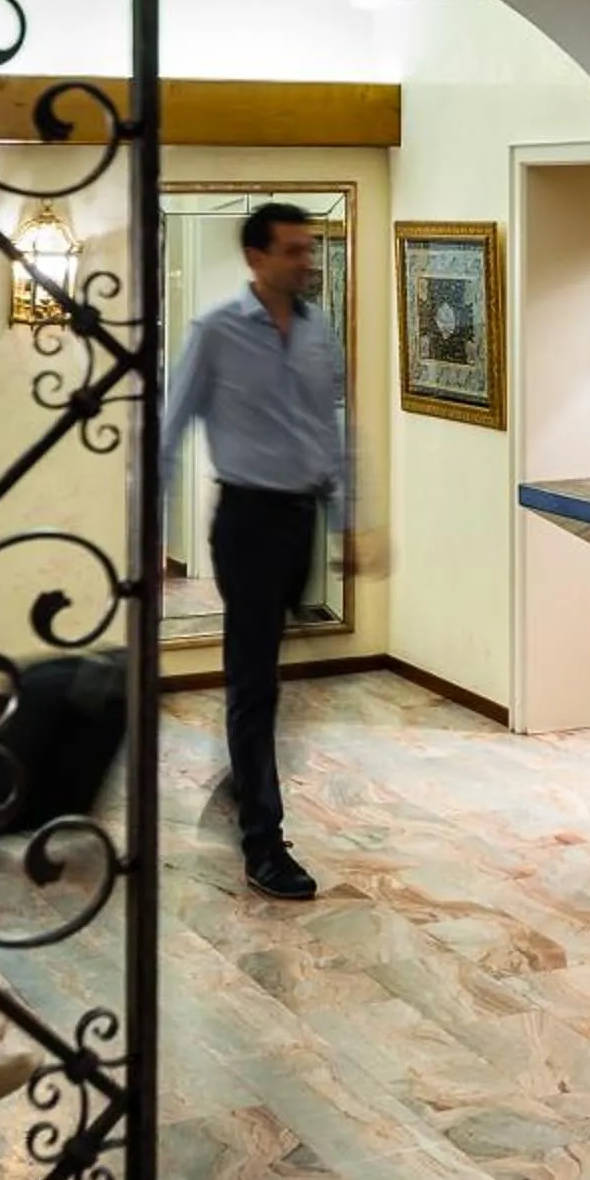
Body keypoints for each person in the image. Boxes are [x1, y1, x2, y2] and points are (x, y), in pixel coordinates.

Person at [163, 201, 351, 902]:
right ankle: (263, 844)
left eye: (309, 249)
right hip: (244, 520)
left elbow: (334, 427)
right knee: (253, 678)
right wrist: (148, 546)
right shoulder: (214, 333)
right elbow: (170, 428)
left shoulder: (316, 330)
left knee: (269, 673)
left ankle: (244, 777)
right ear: (256, 257)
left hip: (300, 519)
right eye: (295, 250)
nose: (307, 261)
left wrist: (351, 519)